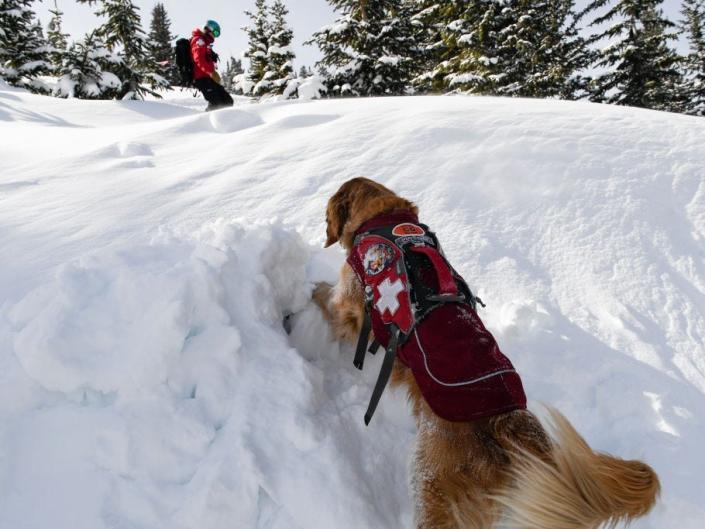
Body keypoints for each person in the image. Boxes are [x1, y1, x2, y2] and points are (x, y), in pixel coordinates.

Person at [191, 20, 233, 111]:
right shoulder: (199, 41)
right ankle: (204, 122)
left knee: (227, 101)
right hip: (201, 78)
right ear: (208, 29)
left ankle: (226, 122)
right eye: (215, 32)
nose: (215, 36)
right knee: (216, 103)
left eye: (217, 34)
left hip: (207, 77)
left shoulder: (205, 43)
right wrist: (211, 72)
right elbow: (199, 59)